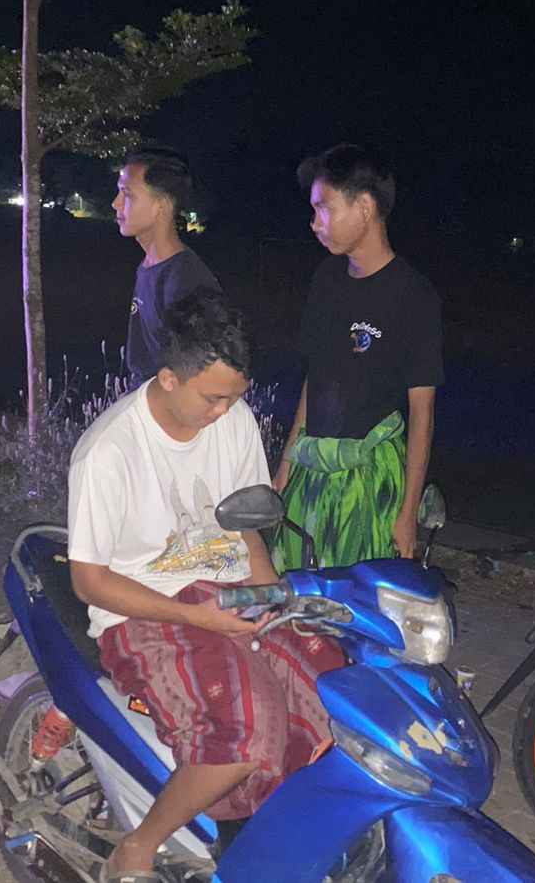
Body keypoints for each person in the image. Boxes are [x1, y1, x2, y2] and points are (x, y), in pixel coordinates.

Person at [67, 291, 345, 880]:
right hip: (147, 608)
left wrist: (277, 598)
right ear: (169, 378)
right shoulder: (109, 451)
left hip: (230, 592)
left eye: (235, 397)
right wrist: (199, 617)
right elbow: (88, 581)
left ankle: (273, 833)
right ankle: (137, 847)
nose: (226, 412)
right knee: (246, 735)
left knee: (335, 693)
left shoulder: (234, 419)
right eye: (213, 398)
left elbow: (245, 526)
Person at [272, 143, 442, 571]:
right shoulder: (326, 278)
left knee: (359, 594)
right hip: (313, 467)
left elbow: (422, 411)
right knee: (299, 584)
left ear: (365, 207)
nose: (315, 223)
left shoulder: (413, 295)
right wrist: (286, 465)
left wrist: (407, 512)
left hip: (371, 481)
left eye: (323, 208)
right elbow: (316, 378)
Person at [113, 144, 222, 386]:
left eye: (127, 194)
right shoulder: (148, 267)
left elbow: (199, 378)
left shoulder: (186, 280)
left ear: (161, 206)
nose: (115, 203)